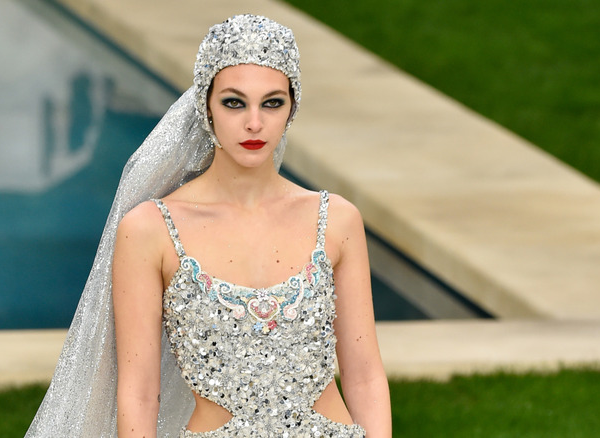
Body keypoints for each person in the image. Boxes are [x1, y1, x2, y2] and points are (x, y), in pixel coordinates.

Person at [26, 14, 391, 438]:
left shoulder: (337, 220)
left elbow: (364, 376)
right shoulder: (150, 230)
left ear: (292, 108)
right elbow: (140, 394)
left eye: (272, 102)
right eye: (234, 102)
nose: (254, 122)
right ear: (206, 106)